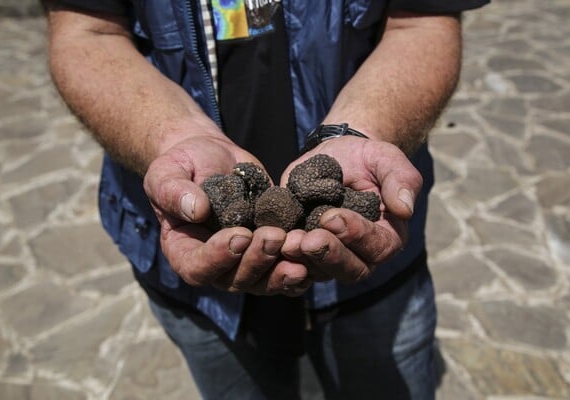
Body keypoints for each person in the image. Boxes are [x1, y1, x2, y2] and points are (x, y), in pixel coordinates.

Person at [42, 0, 488, 398]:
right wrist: (173, 137)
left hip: (374, 267)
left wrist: (361, 130)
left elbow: (423, 19)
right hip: (194, 266)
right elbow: (86, 28)